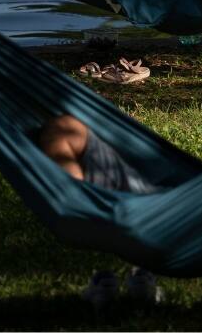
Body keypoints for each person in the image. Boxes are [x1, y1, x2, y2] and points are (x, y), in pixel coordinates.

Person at [39, 114, 164, 307]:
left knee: (61, 130)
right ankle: (138, 280)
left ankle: (83, 208)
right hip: (163, 196)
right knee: (62, 130)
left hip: (158, 196)